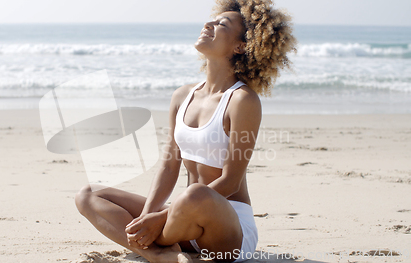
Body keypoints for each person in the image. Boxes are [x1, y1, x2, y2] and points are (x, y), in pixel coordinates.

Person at [75, 0, 296, 262]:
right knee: (88, 194)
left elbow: (231, 181)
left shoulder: (241, 100)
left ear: (240, 46)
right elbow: (169, 167)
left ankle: (156, 245)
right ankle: (156, 253)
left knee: (195, 193)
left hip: (227, 230)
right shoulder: (183, 95)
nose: (209, 25)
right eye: (212, 20)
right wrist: (148, 215)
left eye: (221, 24)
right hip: (181, 219)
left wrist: (161, 218)